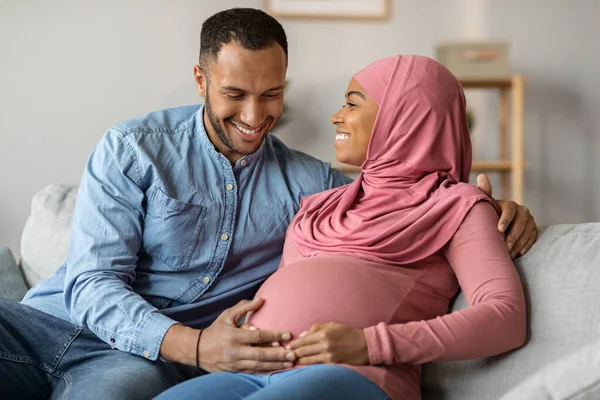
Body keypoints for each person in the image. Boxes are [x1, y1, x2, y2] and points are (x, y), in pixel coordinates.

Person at [0, 8, 535, 400]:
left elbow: (401, 198)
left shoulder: (316, 188)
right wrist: (194, 345)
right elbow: (92, 284)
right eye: (235, 94)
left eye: (271, 94)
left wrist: (501, 209)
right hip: (49, 322)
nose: (256, 115)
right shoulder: (135, 149)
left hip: (134, 365)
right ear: (201, 81)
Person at [154, 54, 527, 400]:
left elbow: (505, 318)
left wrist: (373, 344)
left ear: (405, 115)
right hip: (252, 371)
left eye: (352, 103)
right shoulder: (322, 204)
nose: (336, 116)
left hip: (358, 375)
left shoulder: (457, 206)